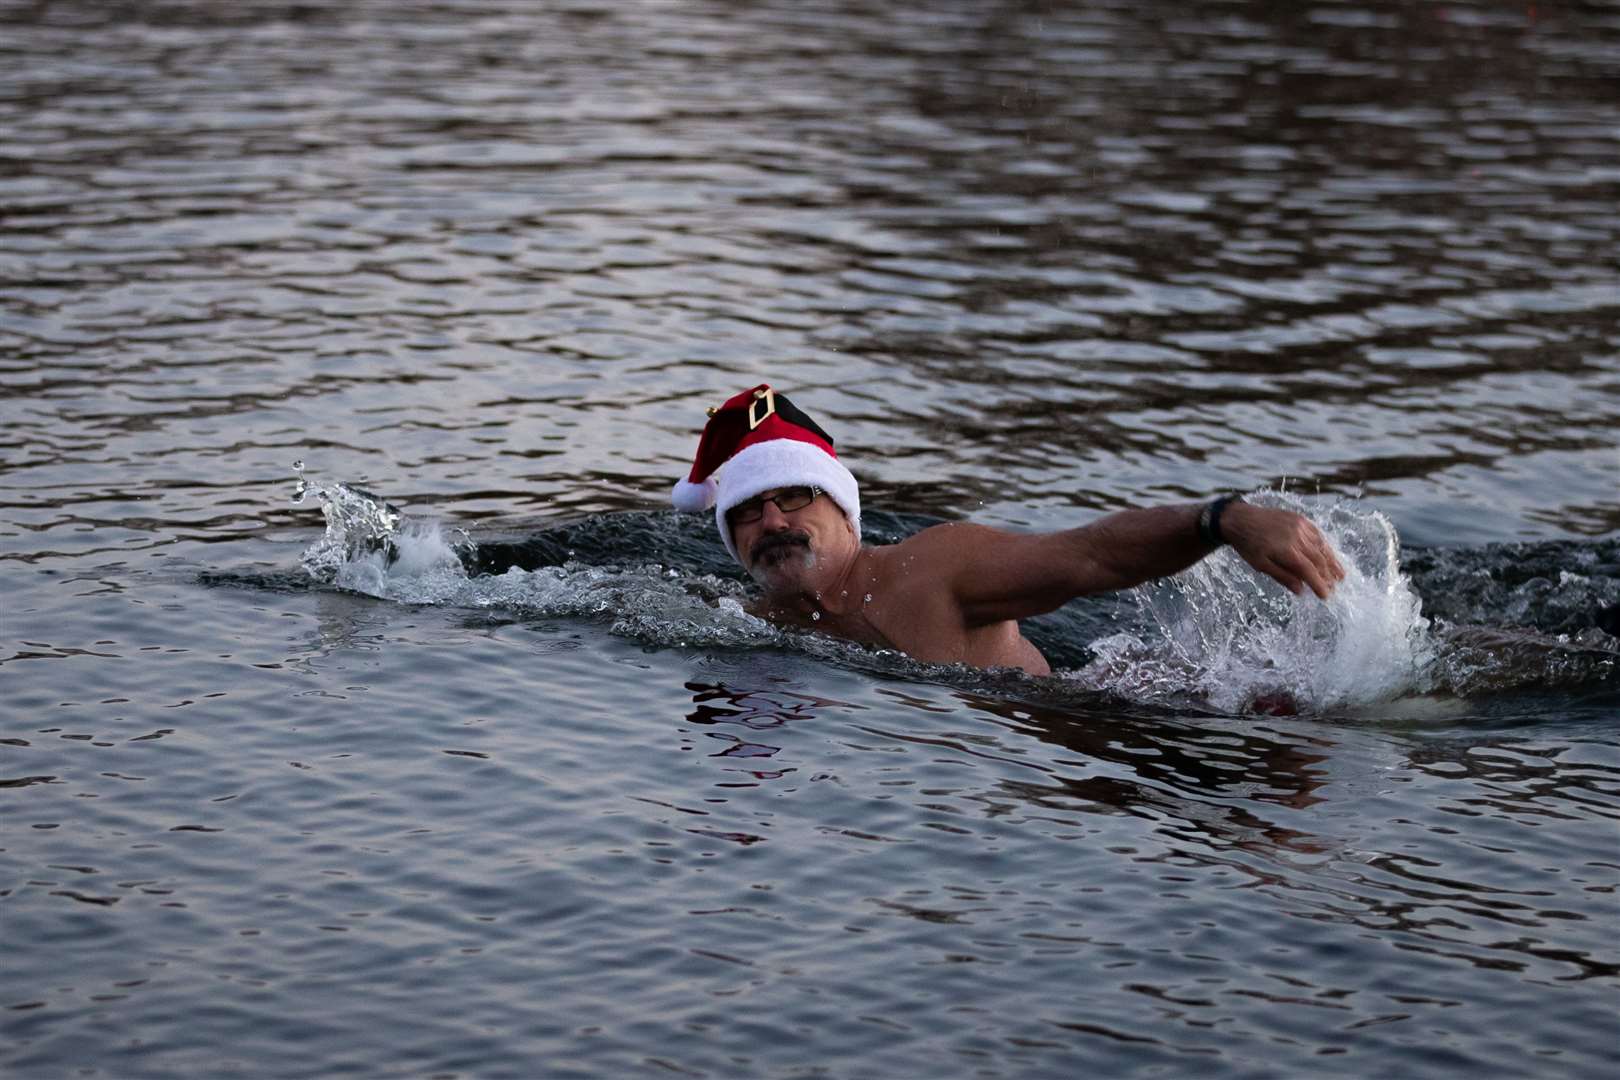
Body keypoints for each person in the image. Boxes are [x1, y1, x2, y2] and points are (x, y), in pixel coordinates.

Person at [671, 384, 1346, 676]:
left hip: (1129, 716)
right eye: (750, 513)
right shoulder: (744, 624)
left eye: (795, 498)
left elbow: (1089, 558)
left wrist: (1221, 519)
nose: (775, 522)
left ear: (845, 511)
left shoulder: (936, 568)